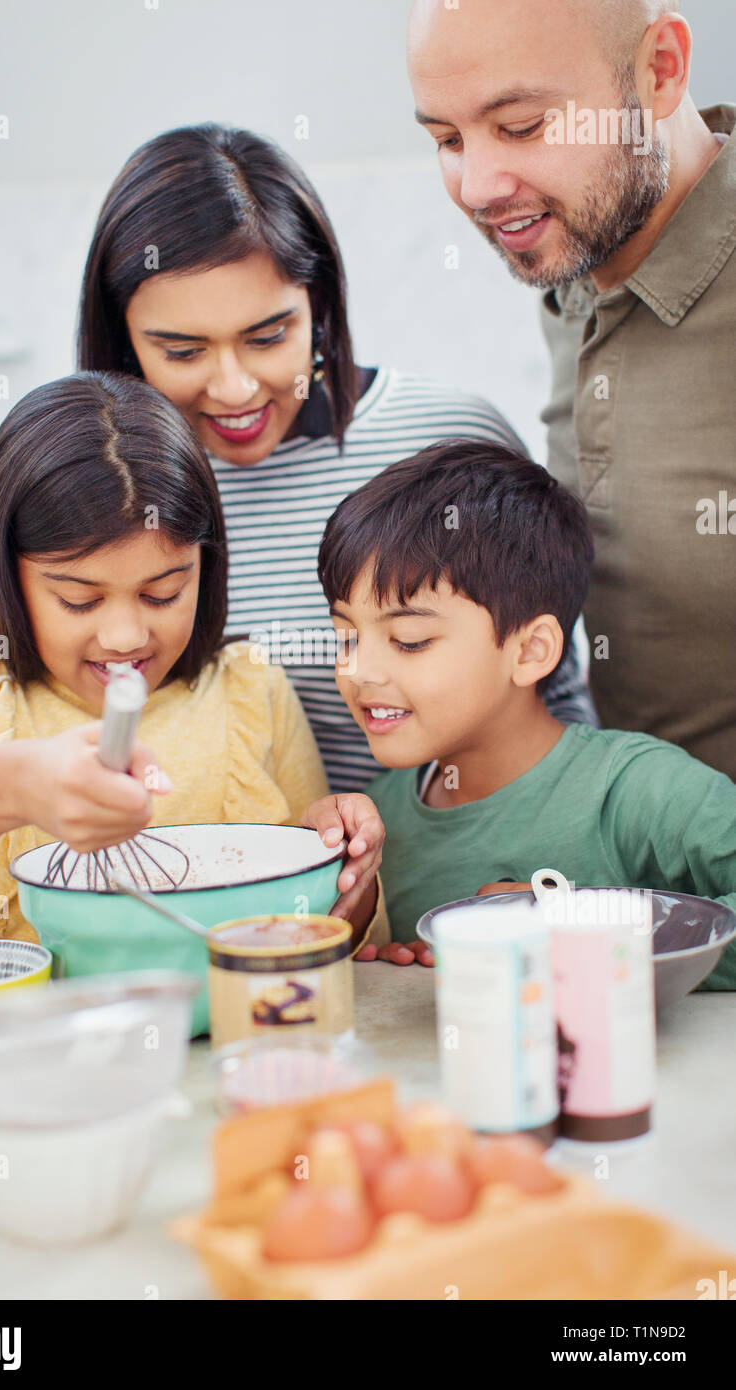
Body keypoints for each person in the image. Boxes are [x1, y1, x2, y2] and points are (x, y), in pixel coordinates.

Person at [76, 122, 597, 795]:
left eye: (269, 336)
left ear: (319, 308)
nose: (234, 388)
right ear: (123, 341)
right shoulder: (100, 492)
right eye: (182, 352)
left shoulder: (447, 436)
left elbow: (552, 700)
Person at [0, 373, 386, 952]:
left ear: (206, 566)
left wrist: (348, 875)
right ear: (6, 574)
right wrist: (9, 789)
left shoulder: (250, 687)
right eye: (79, 600)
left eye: (162, 593)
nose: (124, 637)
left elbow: (325, 929)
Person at [407, 0, 736, 779]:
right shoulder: (577, 264)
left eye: (520, 126)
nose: (478, 186)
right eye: (447, 140)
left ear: (660, 69)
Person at [317, 438, 736, 989]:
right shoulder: (376, 823)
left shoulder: (635, 789)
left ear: (531, 650)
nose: (358, 671)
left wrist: (574, 937)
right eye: (345, 637)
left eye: (410, 640)